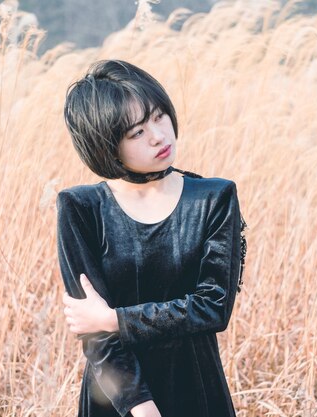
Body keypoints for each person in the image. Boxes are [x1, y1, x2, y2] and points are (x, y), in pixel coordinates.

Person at [56, 59, 247, 417]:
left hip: (195, 386)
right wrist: (141, 408)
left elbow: (212, 307)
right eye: (136, 133)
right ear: (106, 146)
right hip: (116, 397)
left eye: (159, 116)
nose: (159, 136)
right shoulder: (80, 208)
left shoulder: (213, 198)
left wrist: (116, 319)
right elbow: (93, 334)